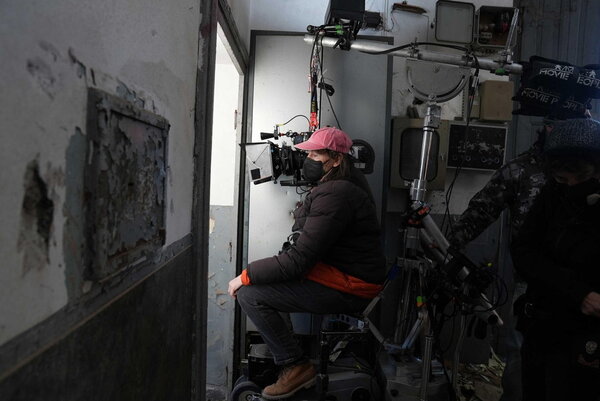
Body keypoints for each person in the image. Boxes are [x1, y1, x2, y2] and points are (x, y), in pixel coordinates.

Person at [228, 127, 386, 400]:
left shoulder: (337, 193)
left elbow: (298, 262)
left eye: (315, 153)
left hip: (352, 287)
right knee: (268, 280)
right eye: (308, 153)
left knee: (250, 294)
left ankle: (294, 365)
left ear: (336, 159)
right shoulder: (340, 186)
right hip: (345, 276)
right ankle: (289, 356)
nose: (308, 159)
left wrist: (245, 275)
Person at [448, 125, 549, 401]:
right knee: (520, 354)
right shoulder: (522, 169)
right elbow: (482, 209)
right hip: (531, 283)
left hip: (582, 286)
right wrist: (449, 246)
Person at [511, 118, 600, 401]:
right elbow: (524, 250)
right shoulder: (554, 195)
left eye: (582, 179)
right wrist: (578, 292)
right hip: (542, 326)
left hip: (586, 337)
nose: (572, 186)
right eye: (563, 179)